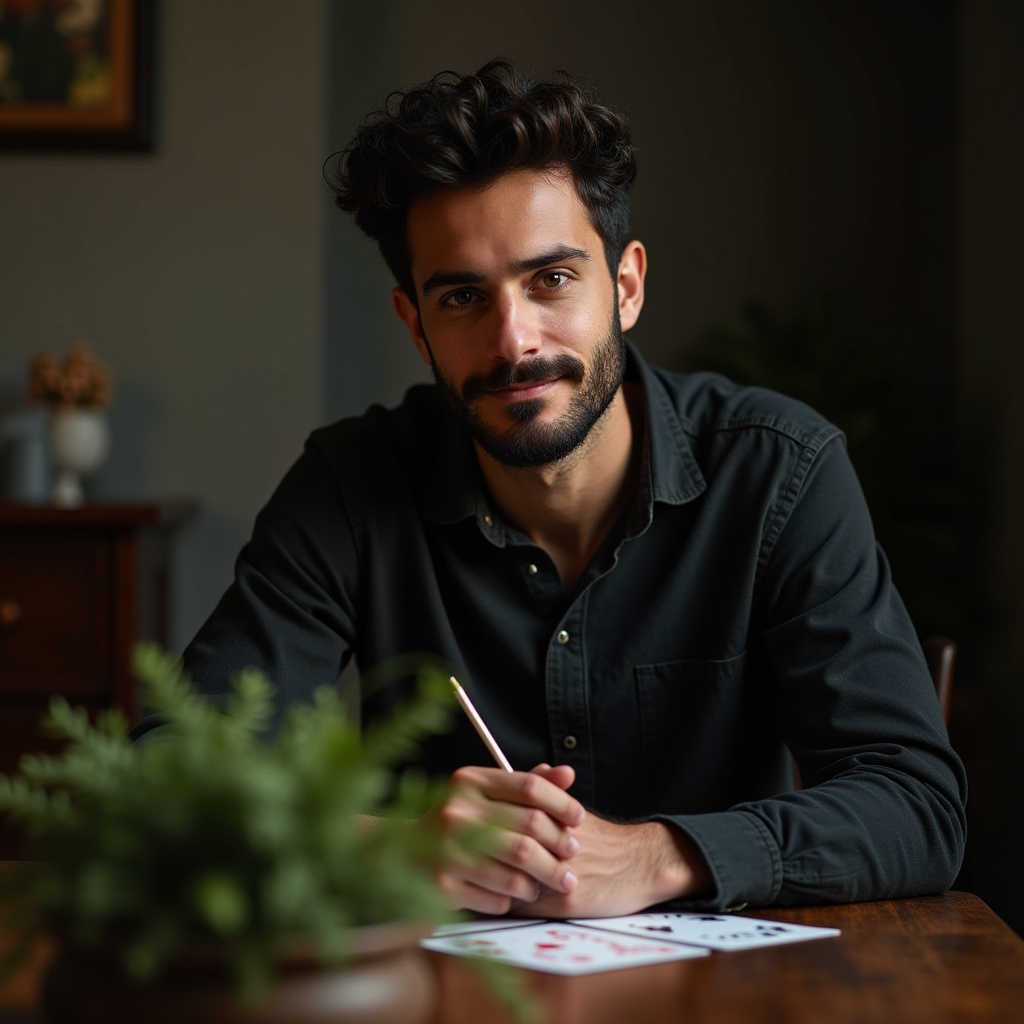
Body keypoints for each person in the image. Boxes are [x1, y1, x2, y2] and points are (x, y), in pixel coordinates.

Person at [136, 59, 966, 918]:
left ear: (627, 285)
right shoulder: (350, 488)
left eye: (552, 279)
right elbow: (171, 778)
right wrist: (387, 844)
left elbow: (917, 807)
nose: (512, 339)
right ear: (414, 326)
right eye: (462, 297)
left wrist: (656, 856)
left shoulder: (778, 472)